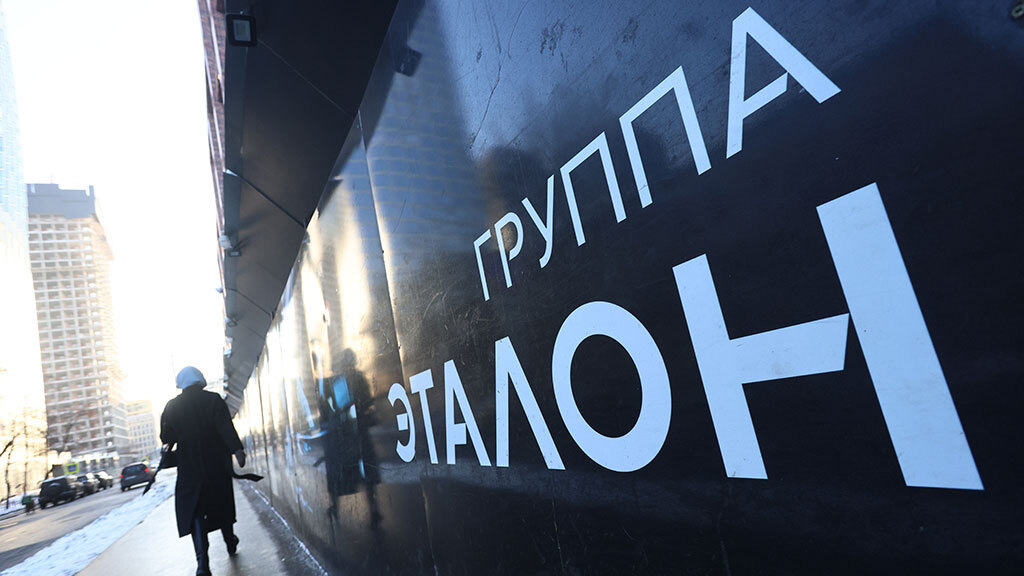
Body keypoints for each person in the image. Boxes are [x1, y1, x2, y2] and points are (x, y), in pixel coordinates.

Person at [160, 367, 247, 576]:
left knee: (196, 511)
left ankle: (202, 564)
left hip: (189, 467)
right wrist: (237, 450)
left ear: (180, 384)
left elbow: (166, 437)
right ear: (200, 380)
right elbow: (225, 427)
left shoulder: (172, 406)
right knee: (222, 503)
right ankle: (230, 542)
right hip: (215, 463)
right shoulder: (213, 400)